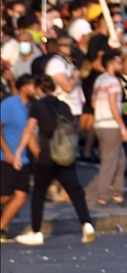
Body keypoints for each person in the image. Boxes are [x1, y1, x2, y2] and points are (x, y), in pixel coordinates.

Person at [12, 75, 97, 246]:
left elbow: (29, 129)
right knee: (75, 191)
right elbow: (74, 127)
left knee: (39, 193)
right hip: (65, 155)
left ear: (38, 89)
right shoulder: (63, 105)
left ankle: (36, 232)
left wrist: (19, 151)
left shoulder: (37, 106)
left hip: (47, 157)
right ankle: (86, 224)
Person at [91, 50, 127, 206]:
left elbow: (94, 102)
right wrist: (123, 127)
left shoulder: (99, 80)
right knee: (110, 161)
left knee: (120, 160)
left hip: (100, 123)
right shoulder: (114, 82)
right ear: (112, 64)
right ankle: (103, 194)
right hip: (111, 125)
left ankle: (118, 191)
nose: (121, 65)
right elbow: (113, 105)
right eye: (119, 62)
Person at [0, 75, 36, 242]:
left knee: (21, 195)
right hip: (5, 158)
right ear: (23, 87)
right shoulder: (9, 105)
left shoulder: (31, 107)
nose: (36, 90)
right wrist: (7, 152)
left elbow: (30, 135)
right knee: (5, 196)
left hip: (23, 160)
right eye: (33, 86)